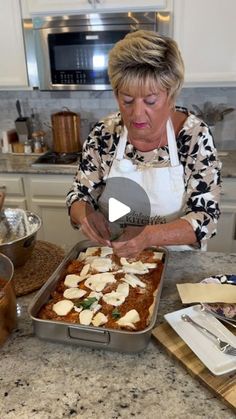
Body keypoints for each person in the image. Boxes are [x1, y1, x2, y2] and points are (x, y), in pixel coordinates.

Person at [66, 30, 221, 258]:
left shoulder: (193, 137)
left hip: (177, 265)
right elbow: (78, 195)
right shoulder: (105, 134)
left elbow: (206, 218)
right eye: (127, 100)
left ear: (171, 95)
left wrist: (149, 236)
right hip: (112, 266)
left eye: (150, 100)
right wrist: (86, 215)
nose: (137, 114)